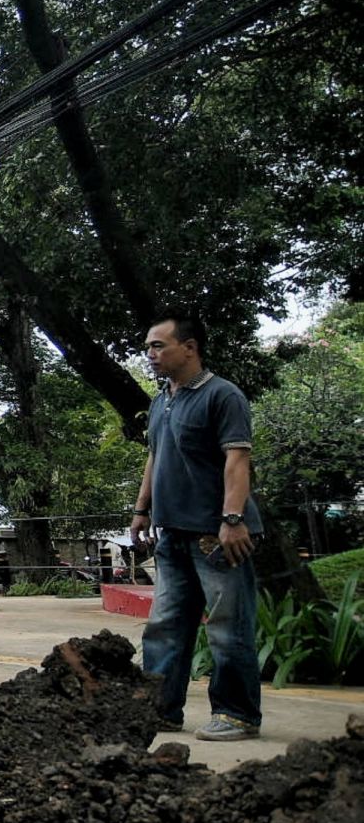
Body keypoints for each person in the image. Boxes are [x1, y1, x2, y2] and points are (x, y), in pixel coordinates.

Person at [129, 308, 264, 742]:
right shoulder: (161, 400)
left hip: (217, 534)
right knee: (165, 625)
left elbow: (237, 459)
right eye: (148, 346)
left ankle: (238, 715)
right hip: (172, 532)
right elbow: (155, 456)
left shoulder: (223, 395)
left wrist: (232, 519)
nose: (149, 354)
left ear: (189, 348)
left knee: (227, 627)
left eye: (158, 345)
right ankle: (161, 710)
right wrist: (141, 509)